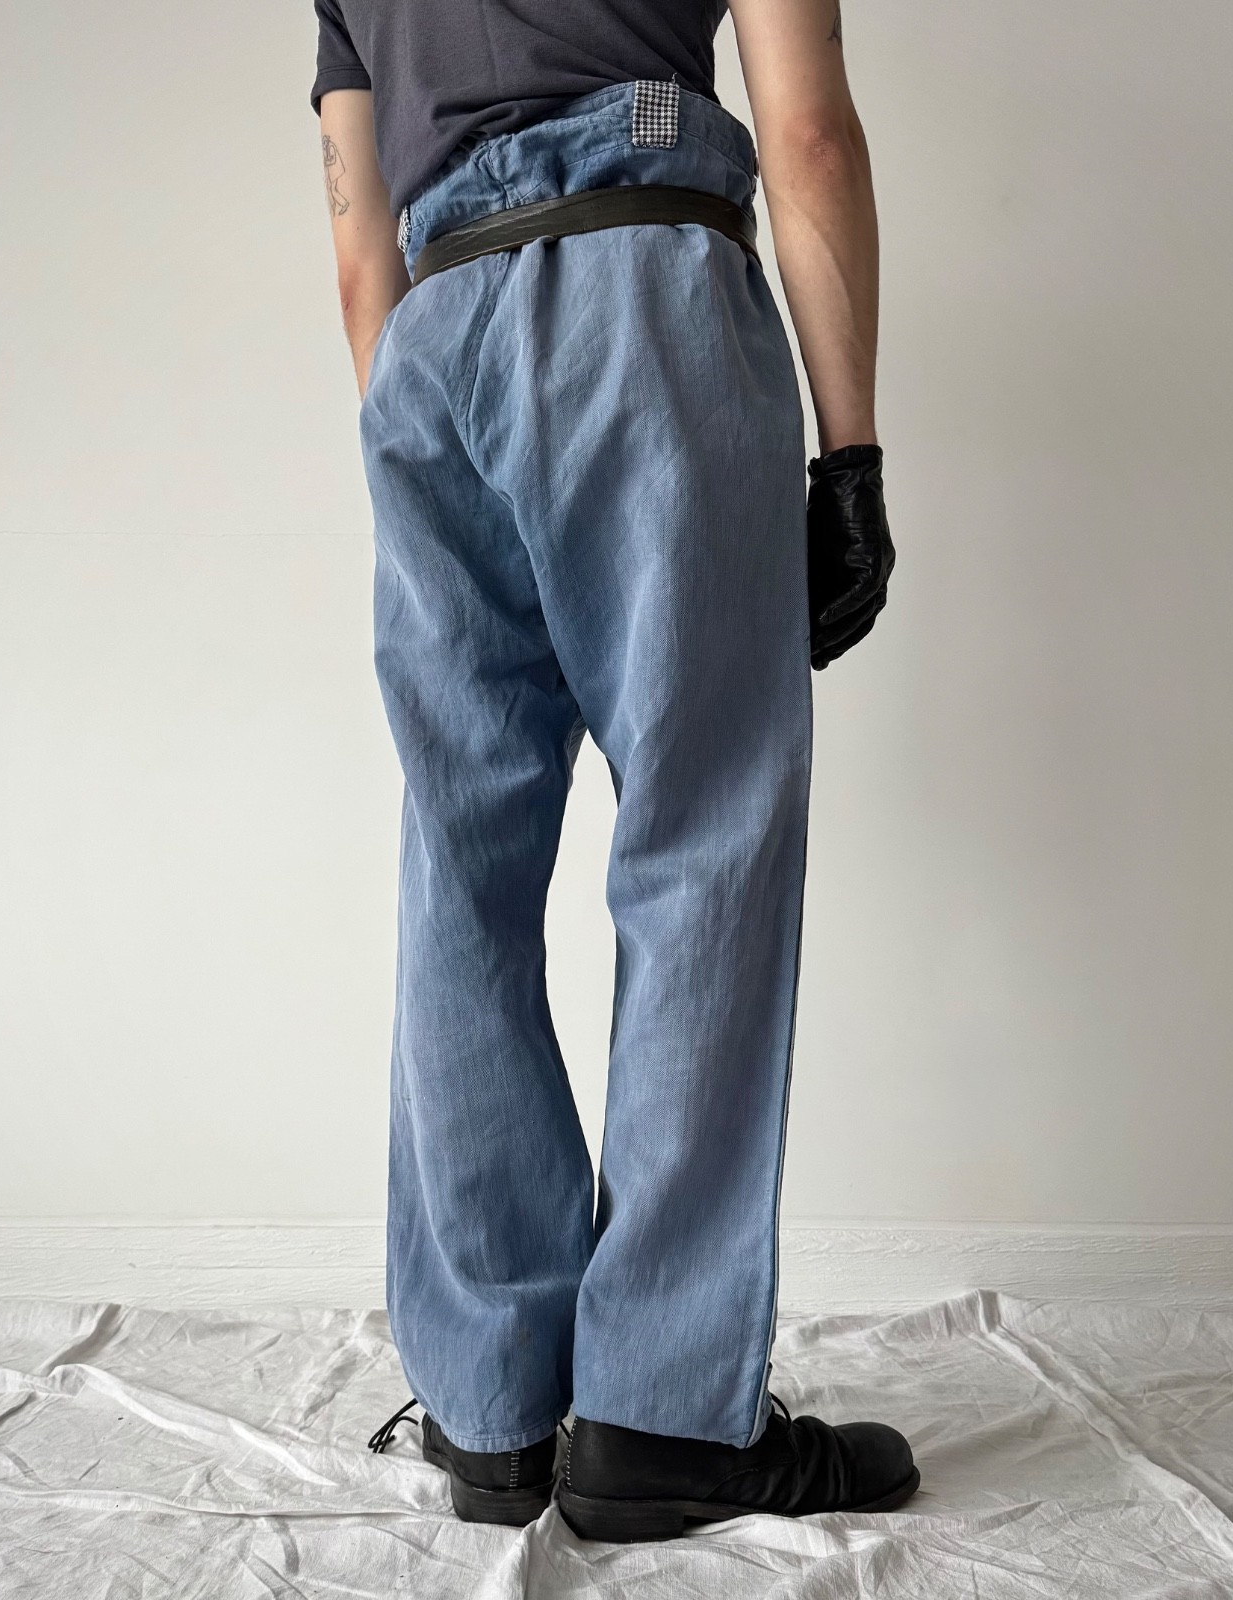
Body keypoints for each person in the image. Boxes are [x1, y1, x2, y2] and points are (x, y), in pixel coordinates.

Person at [312, 0, 909, 1543]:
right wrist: (850, 460)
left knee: (461, 873)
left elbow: (357, 239)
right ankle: (659, 1415)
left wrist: (430, 434)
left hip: (428, 340)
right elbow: (808, 131)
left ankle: (491, 1411)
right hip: (642, 272)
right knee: (702, 841)